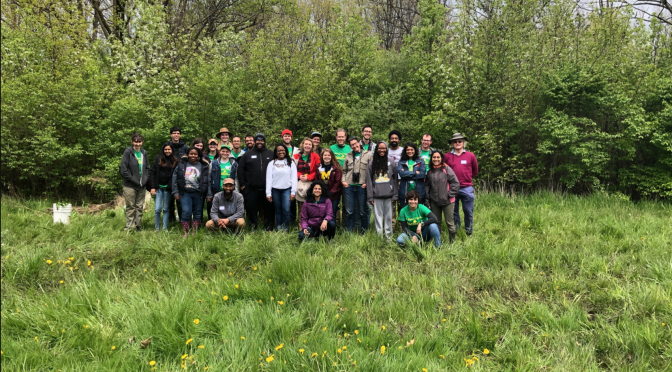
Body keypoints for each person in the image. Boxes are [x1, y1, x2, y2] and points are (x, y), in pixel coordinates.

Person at [238, 133, 275, 231]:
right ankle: (252, 228)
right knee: (251, 210)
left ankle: (269, 228)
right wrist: (242, 185)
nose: (260, 142)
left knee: (269, 210)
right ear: (255, 142)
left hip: (267, 188)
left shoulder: (271, 154)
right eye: (258, 140)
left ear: (264, 142)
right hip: (251, 188)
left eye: (262, 140)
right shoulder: (247, 155)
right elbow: (240, 170)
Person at [172, 147, 212, 237]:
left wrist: (209, 194)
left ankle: (194, 232)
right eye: (191, 153)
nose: (193, 156)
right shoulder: (181, 165)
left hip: (198, 193)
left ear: (198, 155)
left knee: (197, 212)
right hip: (185, 192)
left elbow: (207, 181)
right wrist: (176, 192)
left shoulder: (203, 166)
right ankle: (185, 232)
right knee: (186, 212)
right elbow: (174, 179)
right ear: (188, 154)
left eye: (195, 154)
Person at [444, 133, 479, 236]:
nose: (457, 143)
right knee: (453, 212)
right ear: (452, 143)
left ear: (463, 143)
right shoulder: (447, 156)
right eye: (455, 141)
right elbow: (444, 170)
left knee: (468, 211)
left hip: (467, 187)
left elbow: (475, 171)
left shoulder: (470, 155)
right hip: (452, 188)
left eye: (460, 141)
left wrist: (466, 178)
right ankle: (456, 230)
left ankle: (469, 231)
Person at [425, 150, 459, 243]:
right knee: (436, 222)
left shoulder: (447, 169)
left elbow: (455, 183)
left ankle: (452, 243)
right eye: (434, 157)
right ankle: (437, 243)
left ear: (441, 158)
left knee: (450, 223)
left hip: (448, 202)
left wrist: (449, 194)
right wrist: (427, 200)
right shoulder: (430, 172)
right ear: (431, 159)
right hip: (434, 202)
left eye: (438, 157)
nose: (436, 159)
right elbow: (427, 186)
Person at [366, 141, 398, 238]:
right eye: (380, 148)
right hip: (376, 195)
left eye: (384, 148)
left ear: (387, 149)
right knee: (378, 217)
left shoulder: (391, 162)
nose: (382, 150)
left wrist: (395, 194)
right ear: (376, 150)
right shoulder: (372, 163)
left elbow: (395, 179)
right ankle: (379, 237)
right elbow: (369, 181)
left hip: (389, 195)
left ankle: (389, 237)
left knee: (389, 217)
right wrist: (370, 196)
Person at [119, 133, 150, 232]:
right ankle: (129, 226)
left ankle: (138, 225)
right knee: (131, 206)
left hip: (142, 185)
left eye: (139, 141)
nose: (138, 144)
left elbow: (147, 168)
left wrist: (144, 180)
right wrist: (133, 180)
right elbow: (123, 169)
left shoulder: (144, 153)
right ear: (132, 142)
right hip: (130, 185)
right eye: (135, 141)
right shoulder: (128, 152)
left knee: (139, 206)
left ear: (142, 142)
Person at [342, 136, 373, 233]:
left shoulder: (368, 155)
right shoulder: (348, 155)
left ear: (359, 143)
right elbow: (344, 171)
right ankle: (349, 232)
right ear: (350, 146)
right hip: (349, 186)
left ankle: (364, 231)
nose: (354, 146)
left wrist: (367, 183)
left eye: (355, 143)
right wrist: (344, 181)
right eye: (352, 145)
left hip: (362, 187)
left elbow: (371, 172)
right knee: (349, 211)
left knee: (362, 211)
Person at [266, 144, 297, 231]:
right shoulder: (272, 163)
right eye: (279, 150)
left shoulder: (290, 162)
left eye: (283, 150)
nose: (281, 152)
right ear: (276, 152)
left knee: (286, 210)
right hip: (275, 190)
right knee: (278, 210)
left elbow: (294, 178)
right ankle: (279, 227)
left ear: (286, 151)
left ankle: (286, 228)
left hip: (287, 189)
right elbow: (268, 179)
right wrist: (268, 193)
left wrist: (293, 192)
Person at [149, 143, 178, 231]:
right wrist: (152, 187)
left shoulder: (175, 161)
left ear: (172, 150)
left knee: (166, 209)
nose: (167, 151)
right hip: (158, 188)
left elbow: (176, 175)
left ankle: (165, 228)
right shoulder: (158, 159)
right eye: (165, 149)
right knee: (157, 209)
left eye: (169, 149)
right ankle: (157, 228)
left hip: (168, 189)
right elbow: (152, 173)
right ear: (163, 150)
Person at [293, 138, 321, 217]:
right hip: (300, 182)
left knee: (311, 205)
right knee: (301, 205)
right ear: (303, 145)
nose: (307, 146)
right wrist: (299, 175)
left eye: (309, 144)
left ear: (312, 146)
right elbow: (292, 169)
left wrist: (308, 177)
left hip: (311, 182)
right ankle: (301, 223)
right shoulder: (296, 156)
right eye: (306, 144)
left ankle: (311, 223)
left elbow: (318, 170)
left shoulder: (315, 156)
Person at [210, 146, 238, 221]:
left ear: (229, 152)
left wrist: (236, 190)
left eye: (227, 151)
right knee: (217, 208)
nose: (225, 153)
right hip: (217, 189)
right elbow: (209, 177)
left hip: (230, 189)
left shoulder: (234, 164)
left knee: (229, 208)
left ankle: (229, 223)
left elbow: (236, 177)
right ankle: (217, 224)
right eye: (223, 151)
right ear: (220, 151)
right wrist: (209, 192)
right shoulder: (214, 163)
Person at [167, 127, 188, 223]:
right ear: (171, 134)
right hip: (168, 175)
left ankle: (181, 220)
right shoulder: (167, 145)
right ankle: (171, 220)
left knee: (180, 200)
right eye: (174, 133)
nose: (176, 135)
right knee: (169, 200)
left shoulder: (184, 147)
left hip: (181, 176)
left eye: (178, 133)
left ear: (180, 135)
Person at [397, 142, 426, 209]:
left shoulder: (421, 161)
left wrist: (407, 173)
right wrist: (415, 173)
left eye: (412, 149)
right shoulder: (401, 161)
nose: (410, 151)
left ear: (415, 150)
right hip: (405, 192)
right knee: (406, 212)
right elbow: (401, 174)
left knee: (418, 212)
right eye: (408, 150)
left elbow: (422, 175)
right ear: (405, 151)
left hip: (418, 191)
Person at [319, 148, 342, 221]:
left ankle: (332, 230)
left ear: (331, 156)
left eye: (329, 155)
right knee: (322, 213)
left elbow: (338, 182)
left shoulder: (336, 168)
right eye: (325, 155)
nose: (327, 157)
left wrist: (331, 192)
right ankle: (322, 230)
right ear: (322, 156)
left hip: (334, 195)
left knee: (332, 213)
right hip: (321, 194)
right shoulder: (318, 167)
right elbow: (317, 181)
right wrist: (320, 192)